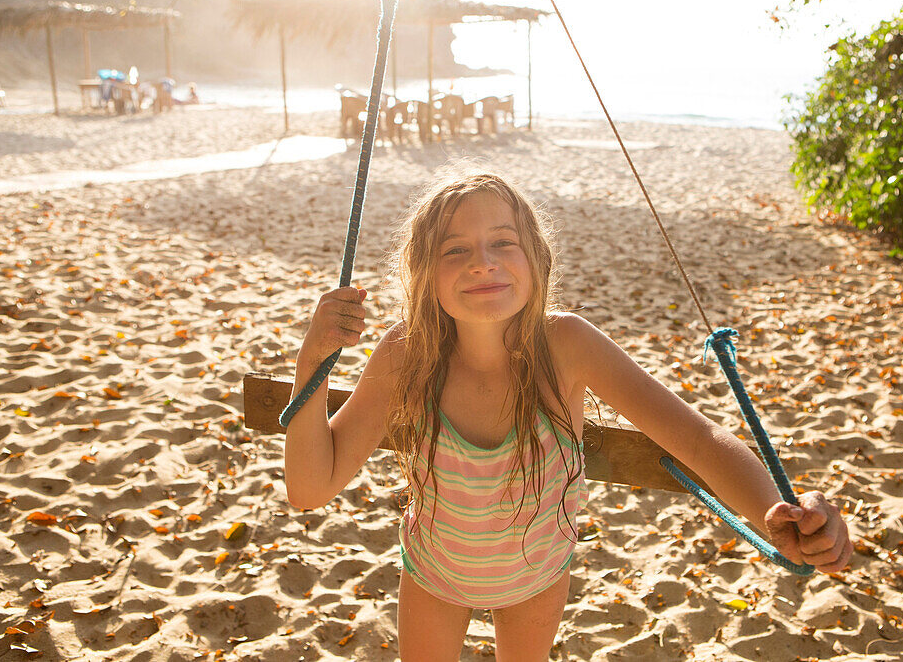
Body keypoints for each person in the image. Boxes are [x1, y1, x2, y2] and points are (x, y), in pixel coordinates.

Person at [283, 170, 853, 661]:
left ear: (536, 258)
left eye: (503, 242)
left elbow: (700, 440)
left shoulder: (567, 346)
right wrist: (314, 363)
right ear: (422, 275)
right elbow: (310, 488)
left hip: (537, 577)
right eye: (454, 249)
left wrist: (774, 512)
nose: (482, 262)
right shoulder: (407, 354)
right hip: (433, 573)